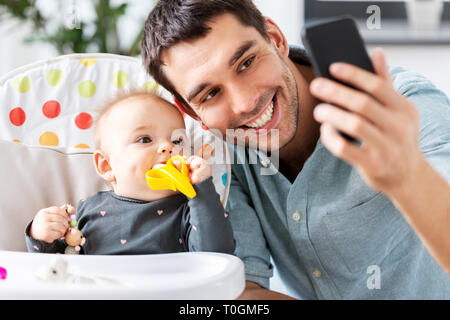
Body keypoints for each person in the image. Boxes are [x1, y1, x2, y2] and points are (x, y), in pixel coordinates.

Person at [141, 0, 450, 299]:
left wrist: (409, 180)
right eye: (211, 94)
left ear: (275, 39)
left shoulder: (404, 105)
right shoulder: (221, 159)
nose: (245, 103)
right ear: (192, 112)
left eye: (246, 63)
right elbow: (241, 290)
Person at [25, 91, 235, 255]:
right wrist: (41, 236)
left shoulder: (190, 211)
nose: (167, 147)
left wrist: (201, 190)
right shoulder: (87, 211)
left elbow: (218, 253)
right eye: (145, 139)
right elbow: (60, 265)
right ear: (106, 166)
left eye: (177, 140)